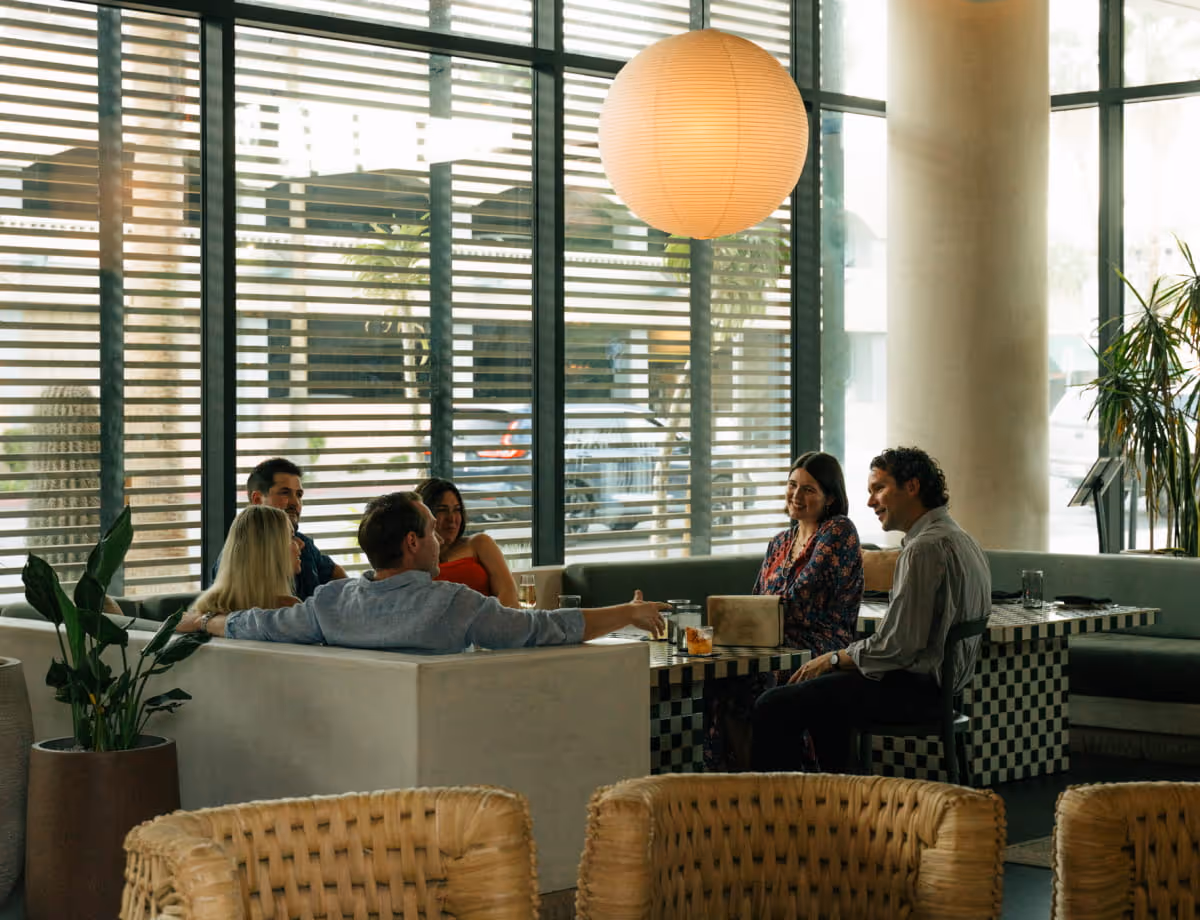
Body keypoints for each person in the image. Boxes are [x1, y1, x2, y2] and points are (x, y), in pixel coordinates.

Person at [751, 446, 991, 774]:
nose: (870, 501)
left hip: (917, 692)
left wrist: (834, 658)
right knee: (824, 694)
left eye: (879, 488)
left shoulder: (923, 550)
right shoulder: (964, 540)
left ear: (912, 487)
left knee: (773, 705)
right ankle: (838, 800)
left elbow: (898, 647)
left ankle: (780, 813)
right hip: (944, 689)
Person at [178, 491, 666, 652]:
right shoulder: (451, 602)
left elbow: (255, 624)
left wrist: (203, 622)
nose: (441, 538)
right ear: (412, 543)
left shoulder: (331, 603)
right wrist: (628, 612)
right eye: (433, 530)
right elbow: (544, 628)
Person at [704, 451, 864, 771]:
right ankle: (738, 781)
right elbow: (755, 601)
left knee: (761, 679)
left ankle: (791, 779)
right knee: (719, 679)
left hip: (819, 644)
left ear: (830, 498)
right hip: (773, 643)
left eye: (809, 489)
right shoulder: (779, 542)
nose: (796, 495)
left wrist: (756, 615)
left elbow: (800, 600)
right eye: (792, 485)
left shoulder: (838, 531)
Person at [211, 458, 347, 600]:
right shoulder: (239, 556)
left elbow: (340, 579)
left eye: (299, 495)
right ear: (257, 500)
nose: (295, 502)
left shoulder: (304, 544)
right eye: (285, 493)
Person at [416, 478, 519, 608]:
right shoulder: (414, 558)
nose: (452, 518)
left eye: (457, 510)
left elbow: (508, 594)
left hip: (489, 623)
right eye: (443, 510)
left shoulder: (479, 544)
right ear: (425, 514)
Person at [192, 505, 302, 616]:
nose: (301, 544)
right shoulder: (289, 609)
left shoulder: (207, 607)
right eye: (291, 537)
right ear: (269, 550)